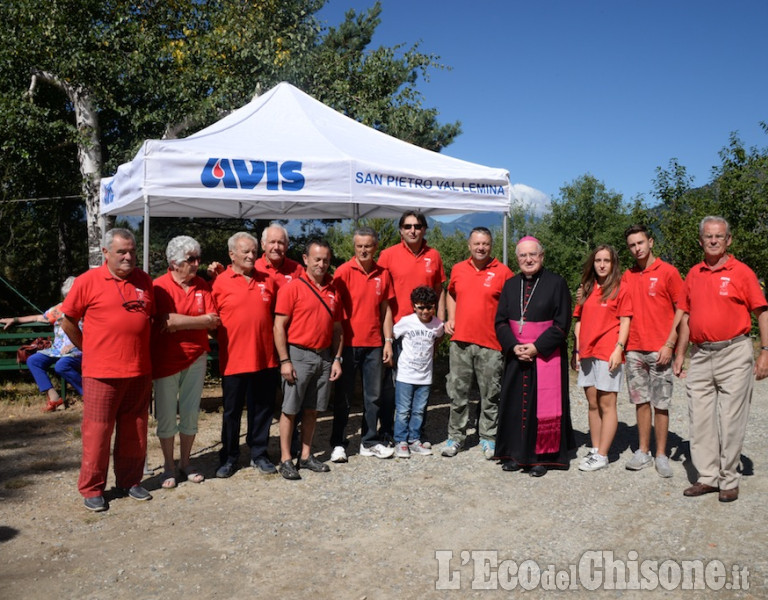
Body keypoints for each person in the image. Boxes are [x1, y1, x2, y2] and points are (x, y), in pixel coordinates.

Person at [673, 216, 768, 502]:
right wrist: (680, 353)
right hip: (700, 354)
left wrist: (765, 351)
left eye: (719, 236)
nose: (713, 241)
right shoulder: (693, 274)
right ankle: (707, 477)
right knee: (699, 418)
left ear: (729, 240)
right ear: (700, 240)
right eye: (708, 236)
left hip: (735, 352)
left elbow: (762, 312)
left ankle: (729, 479)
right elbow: (686, 317)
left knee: (730, 418)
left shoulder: (741, 272)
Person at [61, 228, 154, 512]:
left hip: (138, 370)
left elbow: (150, 321)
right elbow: (68, 322)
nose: (128, 257)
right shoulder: (88, 281)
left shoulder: (145, 281)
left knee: (135, 430)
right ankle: (92, 488)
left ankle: (129, 481)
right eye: (121, 252)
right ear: (105, 253)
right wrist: (89, 349)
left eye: (132, 252)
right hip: (101, 372)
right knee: (98, 432)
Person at [494, 236, 574, 476]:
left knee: (543, 406)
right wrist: (513, 346)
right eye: (522, 255)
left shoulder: (556, 283)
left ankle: (542, 458)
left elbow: (562, 324)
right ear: (517, 258)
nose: (528, 259)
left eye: (532, 255)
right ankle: (515, 455)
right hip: (516, 355)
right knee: (515, 404)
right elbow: (500, 322)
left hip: (545, 355)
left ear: (542, 256)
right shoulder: (510, 285)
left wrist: (537, 347)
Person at [152, 236, 220, 488]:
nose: (196, 263)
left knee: (191, 413)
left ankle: (186, 462)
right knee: (167, 414)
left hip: (196, 356)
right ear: (174, 262)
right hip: (166, 360)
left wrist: (182, 322)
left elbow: (213, 320)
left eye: (197, 258)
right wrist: (198, 321)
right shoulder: (159, 286)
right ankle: (169, 466)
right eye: (191, 259)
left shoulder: (202, 285)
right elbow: (165, 322)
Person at [274, 239, 343, 480]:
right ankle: (285, 459)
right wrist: (285, 360)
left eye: (325, 259)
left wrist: (336, 359)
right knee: (290, 409)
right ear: (306, 259)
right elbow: (279, 326)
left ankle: (305, 456)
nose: (322, 264)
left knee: (313, 410)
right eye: (317, 259)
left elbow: (337, 329)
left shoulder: (334, 290)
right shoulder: (292, 288)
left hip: (323, 357)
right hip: (298, 354)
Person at [211, 232, 279, 479]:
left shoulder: (268, 280)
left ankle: (259, 454)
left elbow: (277, 318)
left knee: (262, 410)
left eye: (253, 251)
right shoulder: (219, 282)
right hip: (233, 360)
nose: (251, 256)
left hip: (264, 358)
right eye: (245, 252)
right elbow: (212, 320)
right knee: (231, 413)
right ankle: (229, 457)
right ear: (232, 255)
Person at [443, 227, 513, 459]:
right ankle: (456, 437)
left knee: (490, 394)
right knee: (457, 392)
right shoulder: (458, 269)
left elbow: (512, 306)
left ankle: (488, 438)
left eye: (485, 244)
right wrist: (450, 318)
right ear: (469, 245)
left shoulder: (503, 272)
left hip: (491, 343)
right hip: (461, 341)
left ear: (491, 246)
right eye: (477, 244)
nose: (481, 248)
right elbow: (451, 293)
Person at [378, 210, 446, 446]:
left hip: (425, 330)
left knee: (421, 383)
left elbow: (440, 291)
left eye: (417, 226)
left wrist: (442, 324)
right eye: (407, 226)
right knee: (391, 386)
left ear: (425, 229)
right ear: (401, 230)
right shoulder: (387, 255)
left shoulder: (434, 256)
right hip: (395, 331)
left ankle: (418, 433)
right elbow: (381, 295)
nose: (413, 230)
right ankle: (388, 431)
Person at [621, 225, 683, 478]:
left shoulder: (668, 272)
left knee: (662, 404)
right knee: (641, 402)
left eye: (640, 243)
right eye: (632, 245)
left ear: (651, 242)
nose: (637, 248)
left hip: (660, 350)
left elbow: (682, 311)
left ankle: (661, 454)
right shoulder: (627, 275)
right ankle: (643, 451)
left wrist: (671, 345)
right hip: (634, 349)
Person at [329, 227, 396, 462]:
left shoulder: (383, 273)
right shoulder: (343, 272)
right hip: (347, 344)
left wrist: (388, 341)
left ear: (375, 247)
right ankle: (338, 443)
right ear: (354, 247)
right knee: (344, 397)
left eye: (368, 245)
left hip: (374, 343)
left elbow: (386, 310)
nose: (364, 250)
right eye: (359, 246)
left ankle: (369, 442)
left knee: (373, 397)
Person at [573, 244, 632, 472]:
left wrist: (619, 348)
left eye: (606, 260)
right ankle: (595, 449)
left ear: (613, 263)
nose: (602, 264)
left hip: (608, 352)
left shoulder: (620, 288)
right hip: (587, 353)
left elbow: (626, 321)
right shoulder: (586, 288)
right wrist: (577, 352)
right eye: (598, 260)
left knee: (607, 404)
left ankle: (604, 455)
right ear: (593, 263)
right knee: (592, 403)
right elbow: (578, 322)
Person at [1, 276, 83, 412]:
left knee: (62, 366)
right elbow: (39, 317)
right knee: (34, 360)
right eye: (67, 296)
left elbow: (93, 333)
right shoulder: (59, 309)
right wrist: (15, 319)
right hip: (57, 351)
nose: (70, 299)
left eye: (73, 295)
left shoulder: (87, 310)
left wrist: (73, 345)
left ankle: (88, 395)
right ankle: (54, 398)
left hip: (78, 350)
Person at [393, 286, 444, 458]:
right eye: (421, 307)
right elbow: (392, 334)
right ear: (414, 306)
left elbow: (439, 336)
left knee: (419, 410)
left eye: (429, 307)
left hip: (424, 377)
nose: (425, 311)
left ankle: (414, 439)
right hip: (406, 375)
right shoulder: (406, 322)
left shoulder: (437, 324)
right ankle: (400, 440)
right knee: (402, 410)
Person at [255, 222, 304, 287]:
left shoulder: (297, 270)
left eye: (280, 243)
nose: (276, 247)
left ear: (286, 246)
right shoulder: (254, 268)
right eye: (272, 242)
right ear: (263, 245)